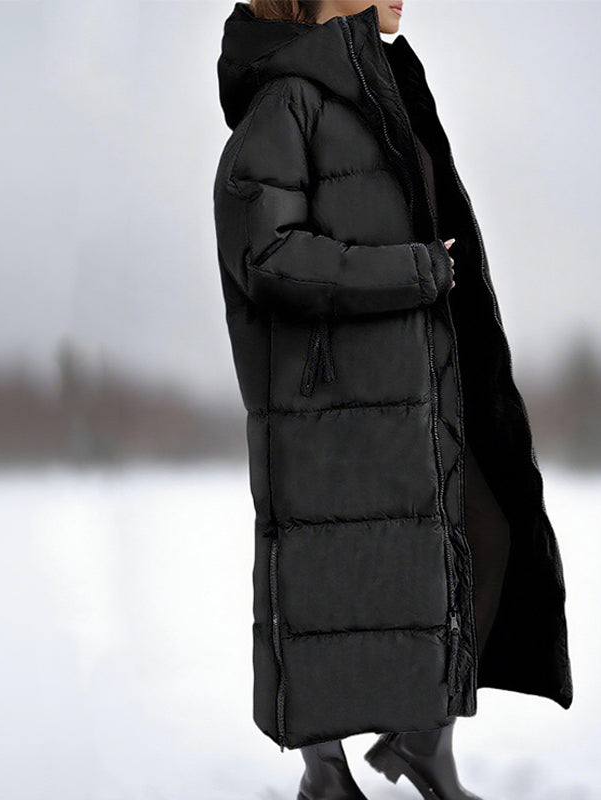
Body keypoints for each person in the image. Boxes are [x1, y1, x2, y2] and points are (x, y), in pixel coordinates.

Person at [213, 2, 573, 798]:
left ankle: (421, 744)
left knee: (478, 541)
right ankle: (326, 775)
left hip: (410, 393)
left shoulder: (380, 86)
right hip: (326, 405)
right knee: (327, 584)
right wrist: (413, 271)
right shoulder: (287, 99)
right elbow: (267, 255)